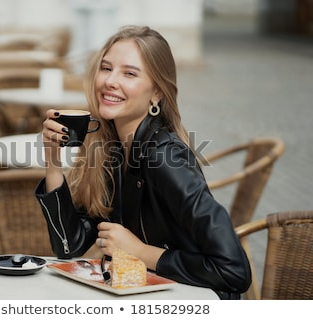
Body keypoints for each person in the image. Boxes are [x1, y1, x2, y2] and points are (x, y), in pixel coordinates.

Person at [35, 25, 251, 299]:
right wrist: (52, 160)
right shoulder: (108, 147)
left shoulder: (165, 157)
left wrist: (140, 252)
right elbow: (69, 248)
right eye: (106, 68)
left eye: (129, 73)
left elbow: (235, 270)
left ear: (156, 93)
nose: (110, 81)